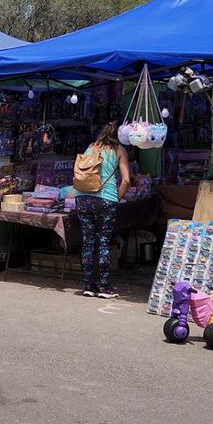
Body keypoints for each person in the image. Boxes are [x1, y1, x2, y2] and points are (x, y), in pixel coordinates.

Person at [76, 122, 131, 299]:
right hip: (105, 199)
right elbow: (126, 180)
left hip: (82, 198)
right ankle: (104, 287)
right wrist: (118, 197)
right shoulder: (119, 150)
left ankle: (88, 285)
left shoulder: (91, 147)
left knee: (88, 241)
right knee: (104, 241)